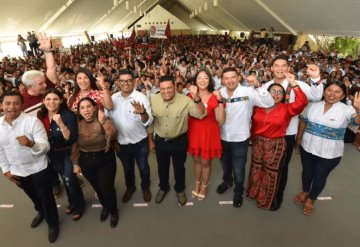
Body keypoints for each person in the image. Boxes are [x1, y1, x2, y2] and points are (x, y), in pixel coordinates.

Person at [263, 54, 323, 210]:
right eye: (276, 65)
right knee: (267, 164)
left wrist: (316, 78)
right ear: (271, 69)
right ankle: (265, 190)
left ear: (288, 68)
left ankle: (278, 195)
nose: (280, 69)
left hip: (287, 134)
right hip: (267, 134)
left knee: (281, 167)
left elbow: (316, 97)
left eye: (283, 65)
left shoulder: (298, 85)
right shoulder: (266, 85)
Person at [0, 91, 59, 243]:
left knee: (46, 197)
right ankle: (40, 212)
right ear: (1, 105)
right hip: (18, 171)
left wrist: (31, 144)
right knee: (32, 195)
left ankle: (52, 224)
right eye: (7, 103)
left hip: (38, 168)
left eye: (16, 103)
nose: (11, 107)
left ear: (22, 105)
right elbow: (1, 150)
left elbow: (45, 147)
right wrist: (6, 170)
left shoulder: (32, 122)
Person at [295, 81, 360, 215]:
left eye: (337, 92)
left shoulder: (347, 110)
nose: (332, 94)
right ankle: (305, 190)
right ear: (324, 91)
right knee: (306, 172)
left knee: (319, 176)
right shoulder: (313, 106)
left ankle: (311, 199)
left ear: (343, 96)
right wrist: (299, 138)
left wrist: (359, 109)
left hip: (330, 152)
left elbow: (356, 120)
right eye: (329, 90)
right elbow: (303, 122)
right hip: (307, 147)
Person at [246, 74, 307, 210]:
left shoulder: (287, 109)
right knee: (256, 169)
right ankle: (254, 192)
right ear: (266, 93)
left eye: (280, 92)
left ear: (284, 96)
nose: (276, 94)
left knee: (271, 174)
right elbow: (253, 125)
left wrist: (294, 85)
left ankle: (266, 199)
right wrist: (251, 139)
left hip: (276, 145)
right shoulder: (258, 107)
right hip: (258, 143)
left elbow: (302, 102)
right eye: (272, 91)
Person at [216, 67, 274, 208]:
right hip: (222, 137)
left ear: (238, 78)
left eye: (233, 77)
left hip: (240, 138)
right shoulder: (219, 93)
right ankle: (227, 181)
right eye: (226, 78)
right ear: (222, 80)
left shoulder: (248, 92)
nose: (230, 80)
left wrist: (259, 85)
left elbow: (269, 103)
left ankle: (238, 191)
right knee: (225, 164)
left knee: (239, 168)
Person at [148, 75, 206, 206]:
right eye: (162, 89)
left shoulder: (185, 100)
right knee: (162, 167)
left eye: (169, 88)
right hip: (160, 141)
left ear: (175, 87)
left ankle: (180, 189)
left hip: (179, 141)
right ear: (159, 88)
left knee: (179, 167)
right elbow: (151, 123)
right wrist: (150, 141)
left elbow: (201, 114)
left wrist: (196, 98)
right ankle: (163, 188)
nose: (166, 91)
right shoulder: (153, 100)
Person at [21, 32, 63, 198]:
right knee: (48, 165)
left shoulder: (46, 91)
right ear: (31, 86)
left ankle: (69, 177)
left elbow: (51, 69)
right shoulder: (21, 102)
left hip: (56, 133)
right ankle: (55, 183)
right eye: (41, 83)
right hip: (39, 140)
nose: (46, 84)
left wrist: (47, 51)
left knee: (61, 160)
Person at [106, 69, 153, 203]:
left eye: (128, 80)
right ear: (118, 82)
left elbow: (148, 121)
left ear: (134, 81)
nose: (125, 83)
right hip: (121, 143)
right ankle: (130, 188)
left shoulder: (141, 98)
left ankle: (145, 188)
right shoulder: (113, 99)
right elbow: (108, 120)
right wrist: (113, 140)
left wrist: (143, 112)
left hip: (140, 142)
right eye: (122, 81)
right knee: (127, 169)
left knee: (143, 167)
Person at [38, 88, 85, 220]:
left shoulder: (68, 115)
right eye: (48, 99)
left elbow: (71, 139)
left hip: (68, 152)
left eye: (55, 99)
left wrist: (60, 124)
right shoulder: (40, 116)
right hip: (53, 154)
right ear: (43, 101)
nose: (51, 102)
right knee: (64, 178)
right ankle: (72, 202)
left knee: (70, 179)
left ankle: (79, 205)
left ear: (60, 101)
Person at [71, 97, 119, 228]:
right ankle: (106, 207)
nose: (86, 110)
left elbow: (113, 135)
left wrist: (103, 121)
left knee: (107, 188)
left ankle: (114, 211)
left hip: (105, 158)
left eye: (88, 106)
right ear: (79, 111)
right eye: (82, 108)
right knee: (98, 188)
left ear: (94, 107)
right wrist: (75, 163)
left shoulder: (103, 119)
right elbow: (74, 145)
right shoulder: (76, 124)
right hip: (86, 160)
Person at [188, 69, 225, 201]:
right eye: (199, 78)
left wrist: (220, 101)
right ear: (195, 81)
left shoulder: (215, 96)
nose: (202, 81)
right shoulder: (189, 96)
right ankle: (197, 182)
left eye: (205, 78)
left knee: (206, 163)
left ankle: (204, 185)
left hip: (208, 134)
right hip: (194, 133)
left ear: (210, 80)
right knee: (196, 161)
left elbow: (221, 120)